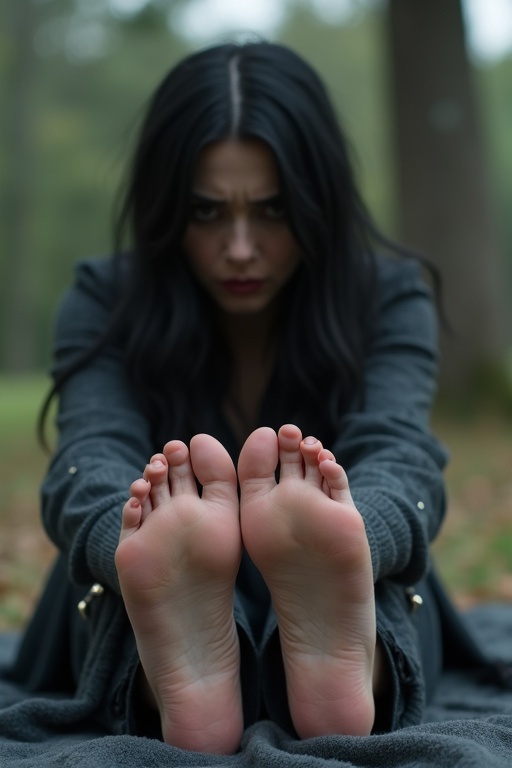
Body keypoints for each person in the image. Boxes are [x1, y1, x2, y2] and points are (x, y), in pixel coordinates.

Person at [8, 40, 455, 755]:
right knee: (136, 584)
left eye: (273, 212)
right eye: (208, 213)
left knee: (371, 579)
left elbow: (400, 456)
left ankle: (330, 636)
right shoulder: (105, 297)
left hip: (352, 572)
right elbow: (88, 458)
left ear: (318, 203)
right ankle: (187, 666)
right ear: (165, 210)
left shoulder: (388, 299)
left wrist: (356, 532)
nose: (241, 248)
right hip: (141, 584)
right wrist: (128, 538)